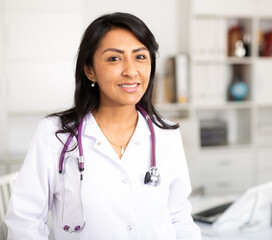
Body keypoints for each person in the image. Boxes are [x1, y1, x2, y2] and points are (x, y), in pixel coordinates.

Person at [5, 12, 201, 240]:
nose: (130, 71)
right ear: (90, 70)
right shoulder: (54, 134)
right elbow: (25, 221)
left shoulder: (166, 134)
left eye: (140, 57)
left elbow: (178, 216)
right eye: (114, 59)